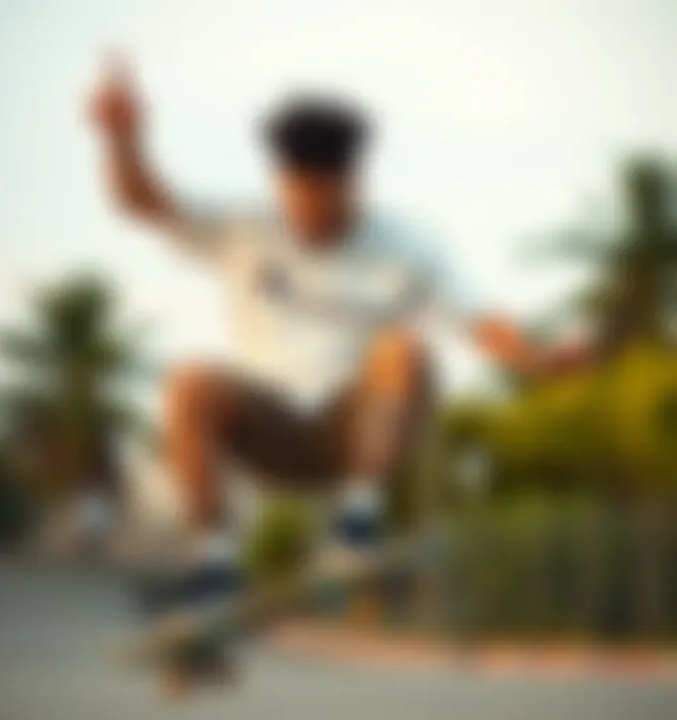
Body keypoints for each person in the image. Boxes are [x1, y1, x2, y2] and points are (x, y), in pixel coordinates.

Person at [88, 58, 539, 692]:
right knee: (190, 380)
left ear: (355, 184)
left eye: (331, 207)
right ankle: (214, 571)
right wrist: (121, 138)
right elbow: (145, 202)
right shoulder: (245, 227)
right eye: (303, 205)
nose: (317, 221)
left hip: (358, 432)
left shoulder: (407, 243)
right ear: (282, 184)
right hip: (269, 426)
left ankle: (358, 526)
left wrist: (536, 354)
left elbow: (478, 316)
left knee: (403, 348)